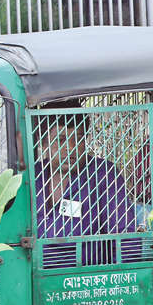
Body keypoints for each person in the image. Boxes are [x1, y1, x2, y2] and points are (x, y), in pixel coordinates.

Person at [35, 106, 139, 267]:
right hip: (35, 274)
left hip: (86, 275)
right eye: (60, 140)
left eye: (78, 139)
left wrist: (124, 276)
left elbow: (124, 234)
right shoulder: (31, 176)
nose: (70, 147)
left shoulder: (103, 174)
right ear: (43, 142)